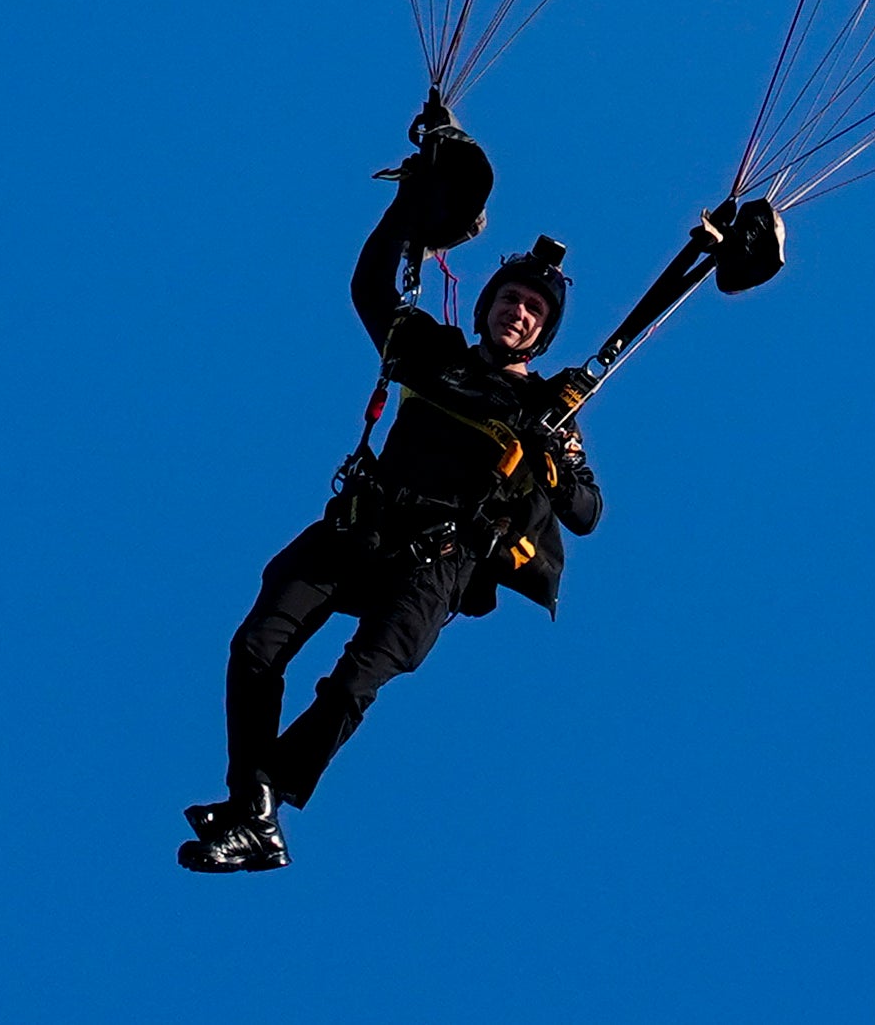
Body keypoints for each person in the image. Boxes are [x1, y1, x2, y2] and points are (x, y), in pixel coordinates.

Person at [180, 190, 603, 873]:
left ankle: (266, 799)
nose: (517, 311)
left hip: (438, 559)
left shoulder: (545, 407)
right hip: (363, 524)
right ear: (487, 302)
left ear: (544, 331)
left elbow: (586, 512)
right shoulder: (431, 352)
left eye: (533, 308)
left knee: (351, 684)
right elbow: (369, 285)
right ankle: (253, 803)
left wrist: (550, 452)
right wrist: (413, 199)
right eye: (509, 297)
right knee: (256, 644)